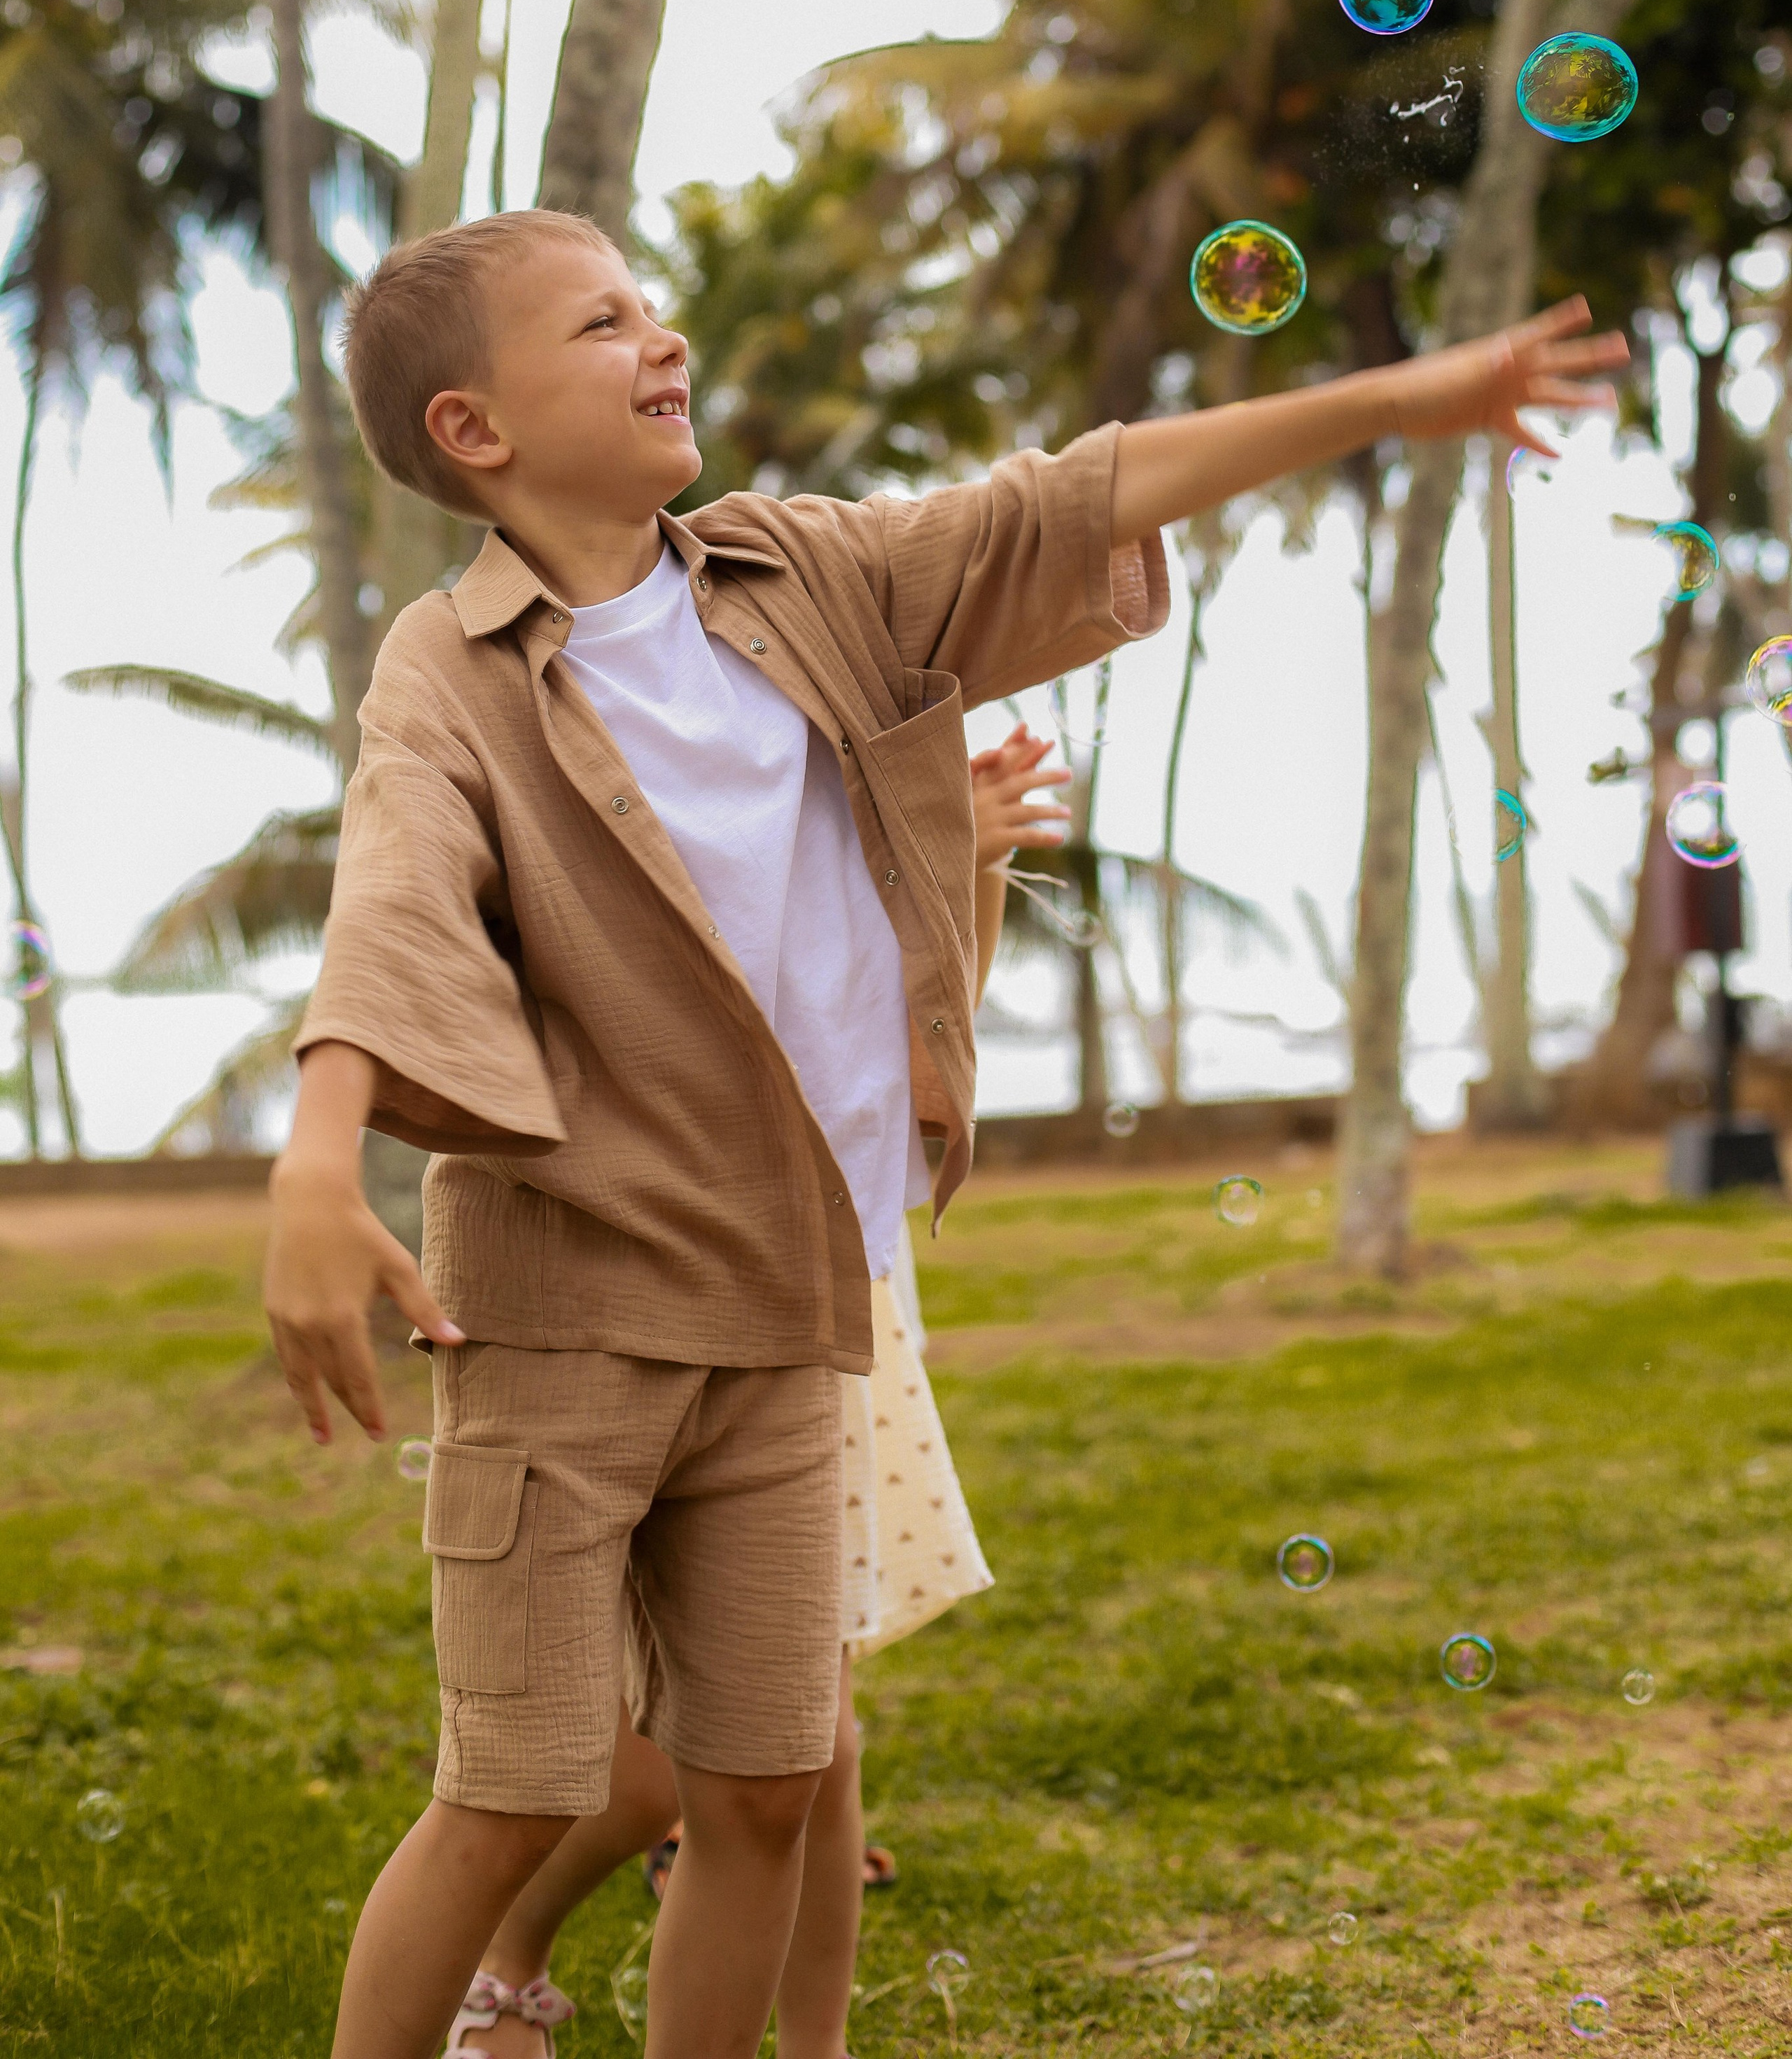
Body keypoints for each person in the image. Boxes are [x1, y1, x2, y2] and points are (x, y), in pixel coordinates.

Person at [260, 205, 1622, 2059]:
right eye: (600, 323)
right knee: (514, 1787)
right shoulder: (455, 667)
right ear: (474, 431)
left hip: (797, 1304)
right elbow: (399, 894)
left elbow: (1072, 498)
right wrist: (318, 1158)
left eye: (654, 306)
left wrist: (1410, 393)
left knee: (763, 1785)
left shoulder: (809, 580)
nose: (661, 340)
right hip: (568, 1315)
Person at [437, 725, 1069, 2059]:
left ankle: (817, 2044)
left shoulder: (835, 858)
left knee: (815, 1742)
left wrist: (969, 859)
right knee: (640, 1770)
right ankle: (503, 1963)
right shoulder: (657, 879)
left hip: (826, 1323)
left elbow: (920, 1056)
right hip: (664, 1320)